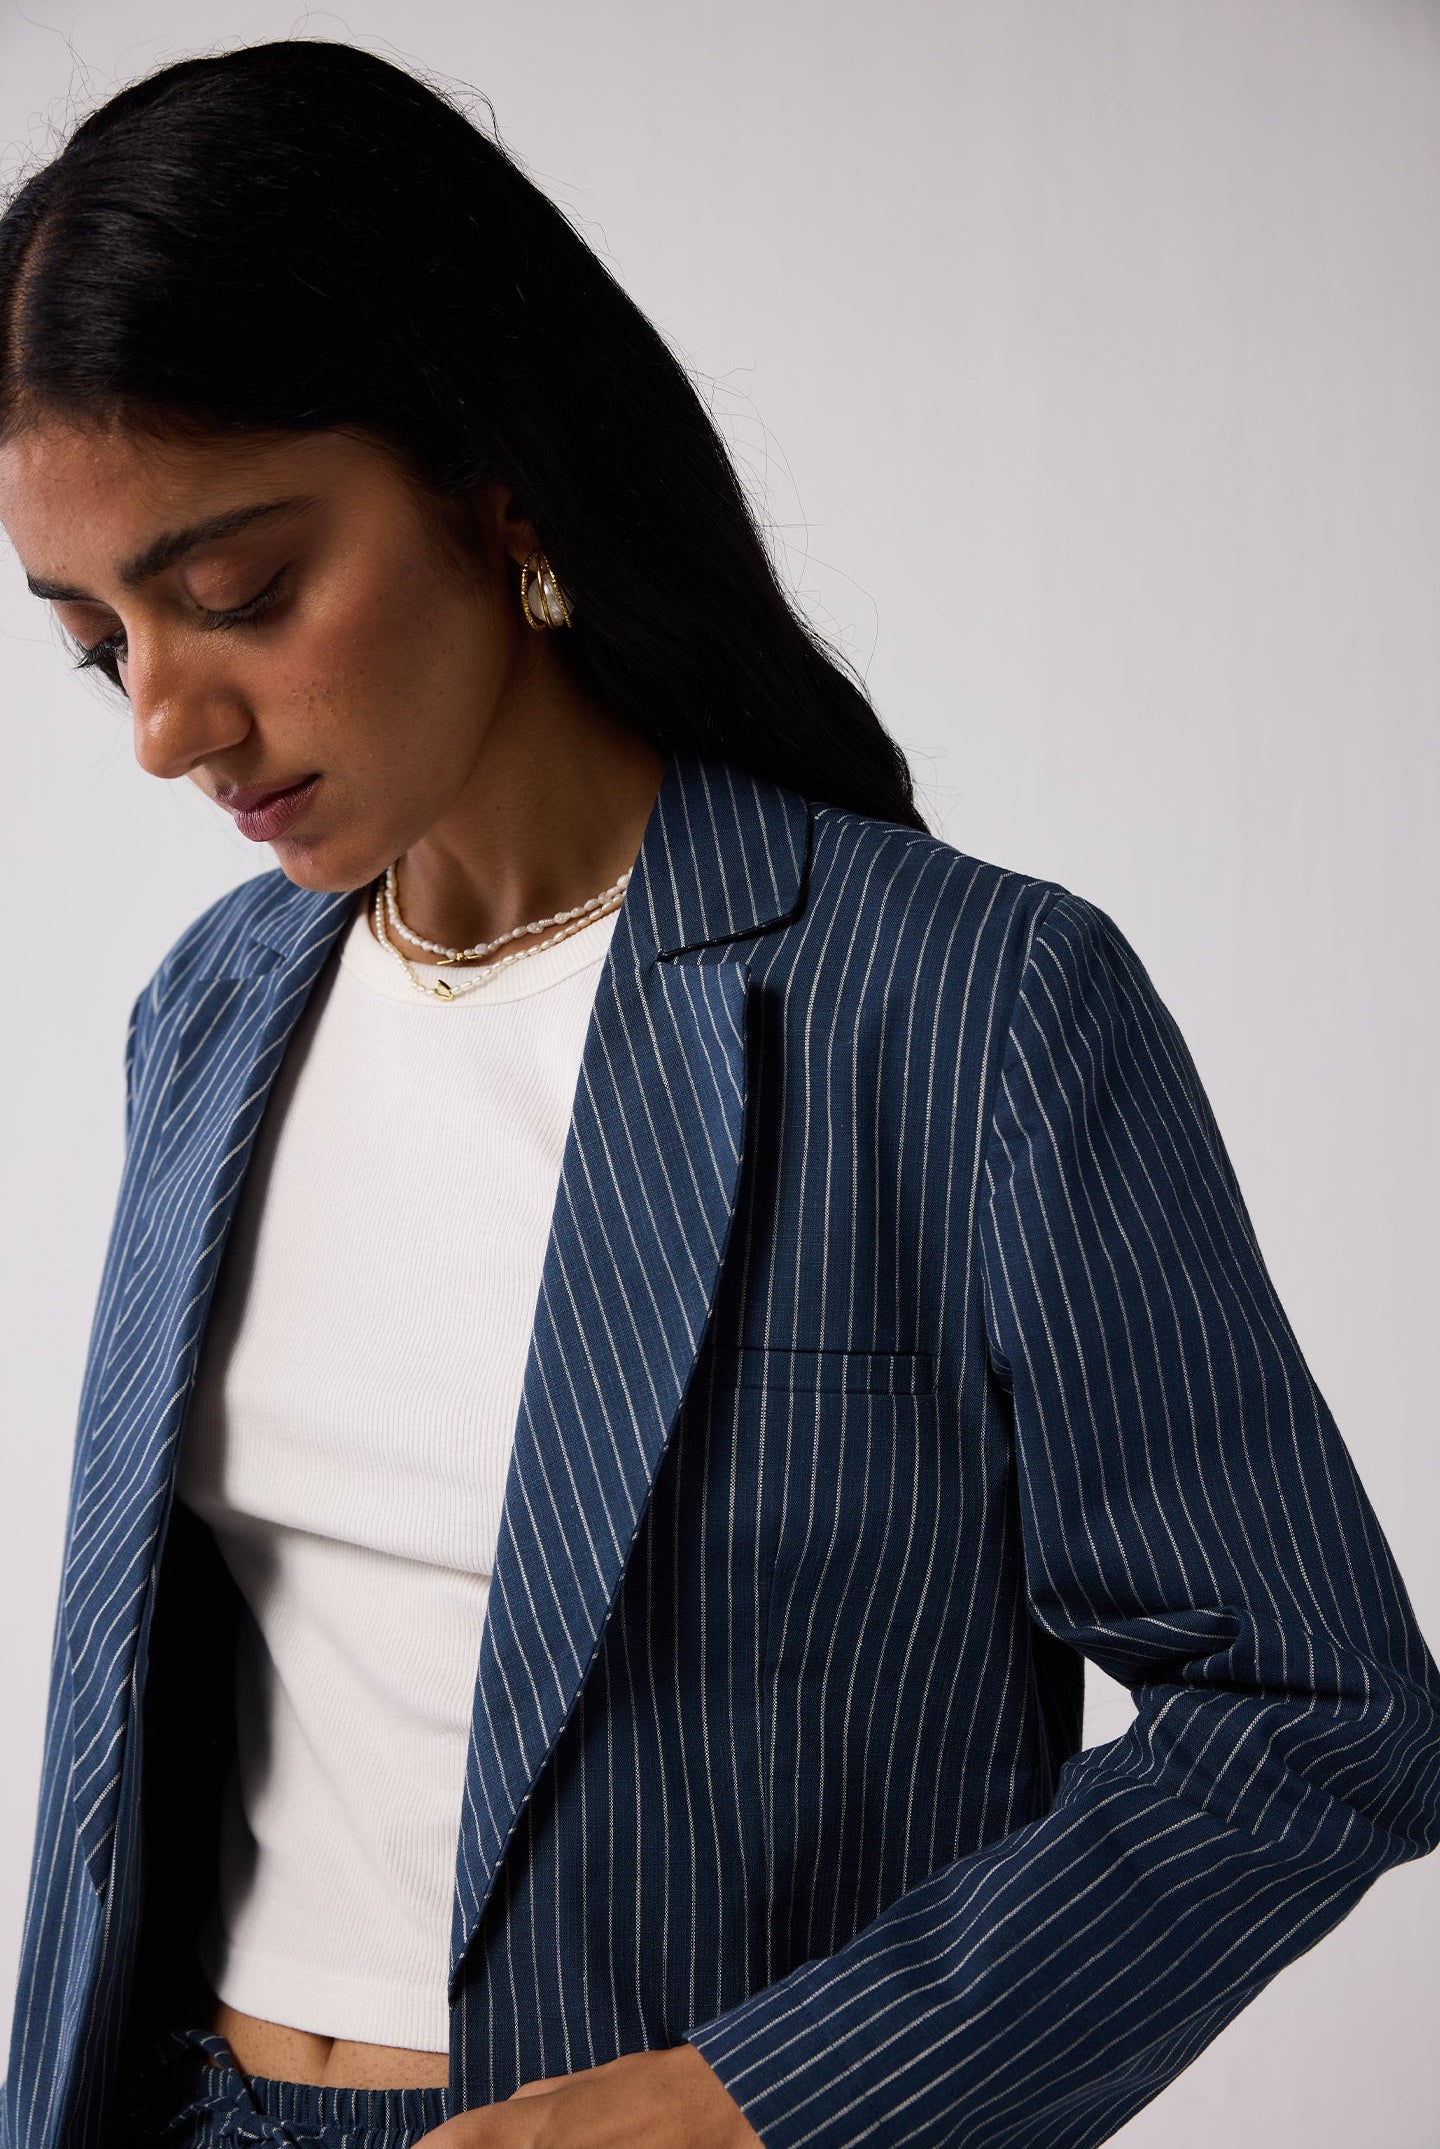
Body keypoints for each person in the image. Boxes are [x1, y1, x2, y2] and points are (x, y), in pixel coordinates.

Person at [1, 35, 1436, 2149]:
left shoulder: (966, 1009)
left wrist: (757, 2103)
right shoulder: (211, 1010)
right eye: (95, 639)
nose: (163, 723)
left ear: (498, 485)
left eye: (240, 594)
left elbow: (1314, 1711)